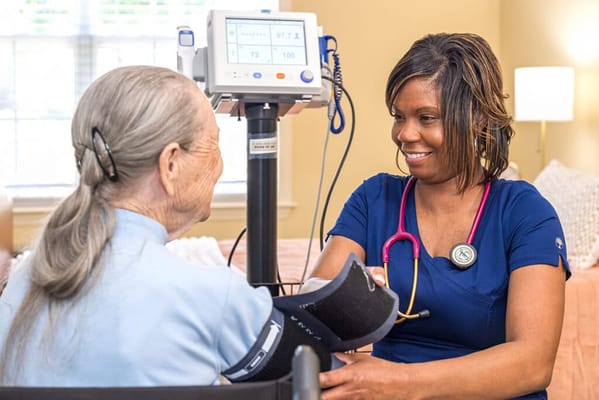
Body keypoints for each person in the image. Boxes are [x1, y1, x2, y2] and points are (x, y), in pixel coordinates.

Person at [0, 66, 331, 386]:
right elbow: (329, 377)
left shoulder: (19, 286)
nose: (219, 164)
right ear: (170, 164)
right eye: (213, 145)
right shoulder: (212, 296)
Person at [309, 33, 570, 399]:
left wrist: (397, 384)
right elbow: (312, 314)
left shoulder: (525, 213)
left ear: (477, 119)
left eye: (426, 118)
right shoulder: (374, 199)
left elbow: (533, 362)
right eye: (399, 116)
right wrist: (349, 301)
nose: (404, 133)